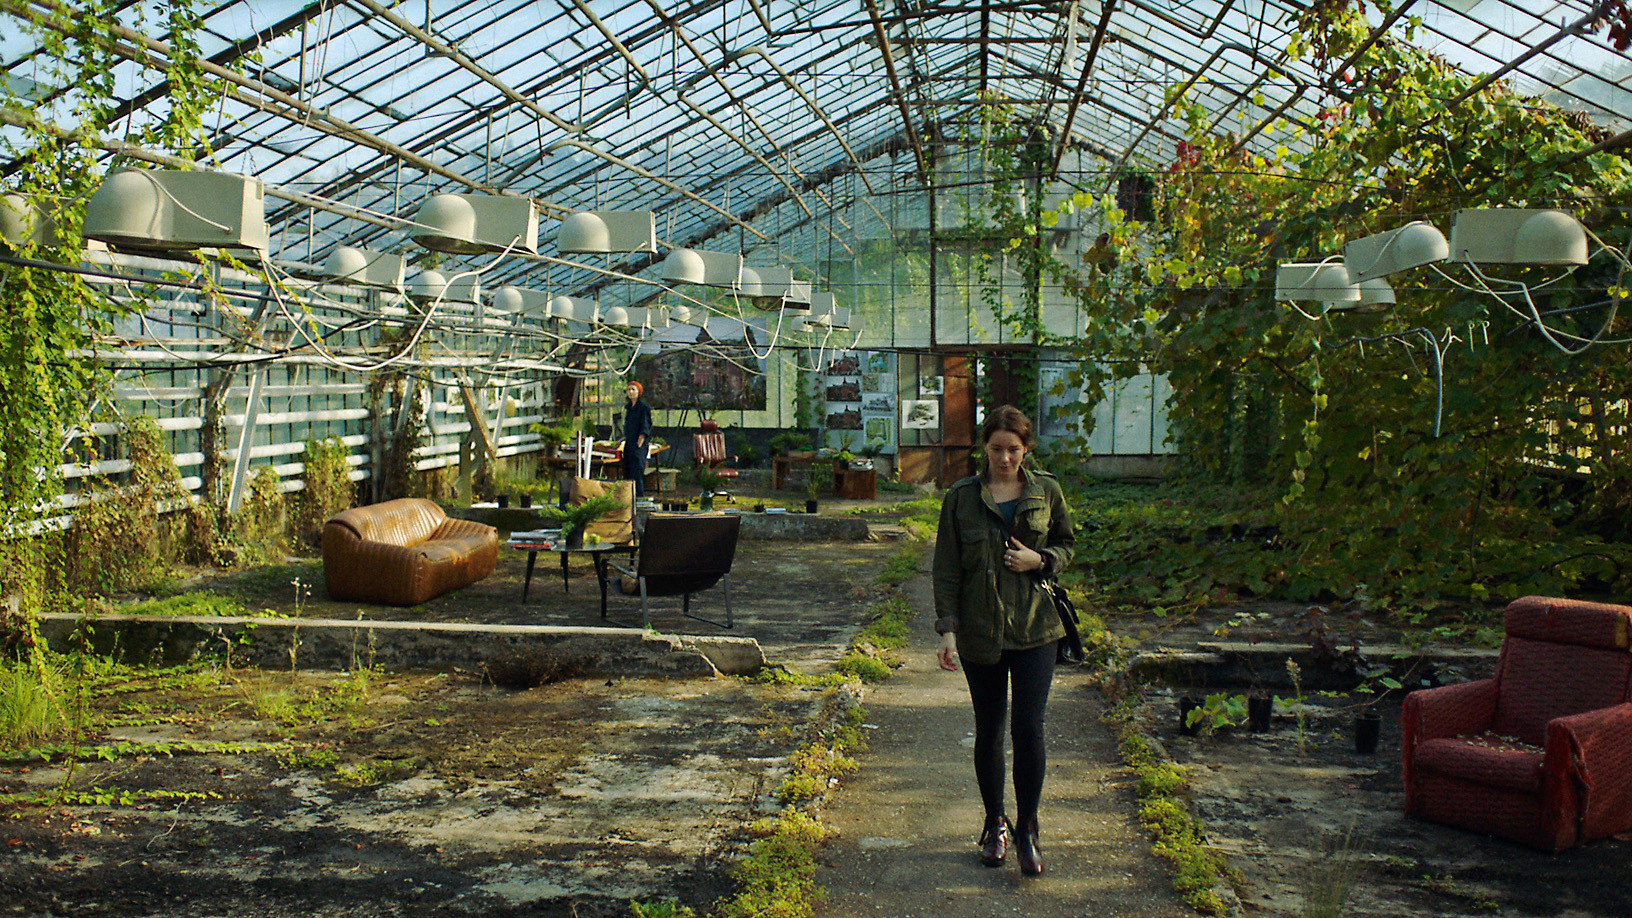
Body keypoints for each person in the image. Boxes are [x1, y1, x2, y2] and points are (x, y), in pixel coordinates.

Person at [933, 404, 1075, 876]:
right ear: (985, 448)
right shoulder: (961, 498)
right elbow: (947, 569)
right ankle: (995, 823)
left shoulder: (1046, 491)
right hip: (981, 630)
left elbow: (1067, 545)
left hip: (1036, 628)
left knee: (1029, 728)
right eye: (996, 449)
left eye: (1013, 449)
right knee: (990, 728)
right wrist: (948, 631)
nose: (1005, 458)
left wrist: (1042, 560)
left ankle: (1028, 830)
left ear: (1026, 449)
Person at [621, 381, 653, 497]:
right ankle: (628, 498)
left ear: (639, 392)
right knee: (628, 472)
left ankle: (638, 498)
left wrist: (639, 444)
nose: (630, 392)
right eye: (629, 389)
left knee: (637, 472)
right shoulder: (628, 408)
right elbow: (628, 428)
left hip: (638, 446)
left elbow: (645, 426)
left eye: (633, 389)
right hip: (629, 444)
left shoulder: (643, 407)